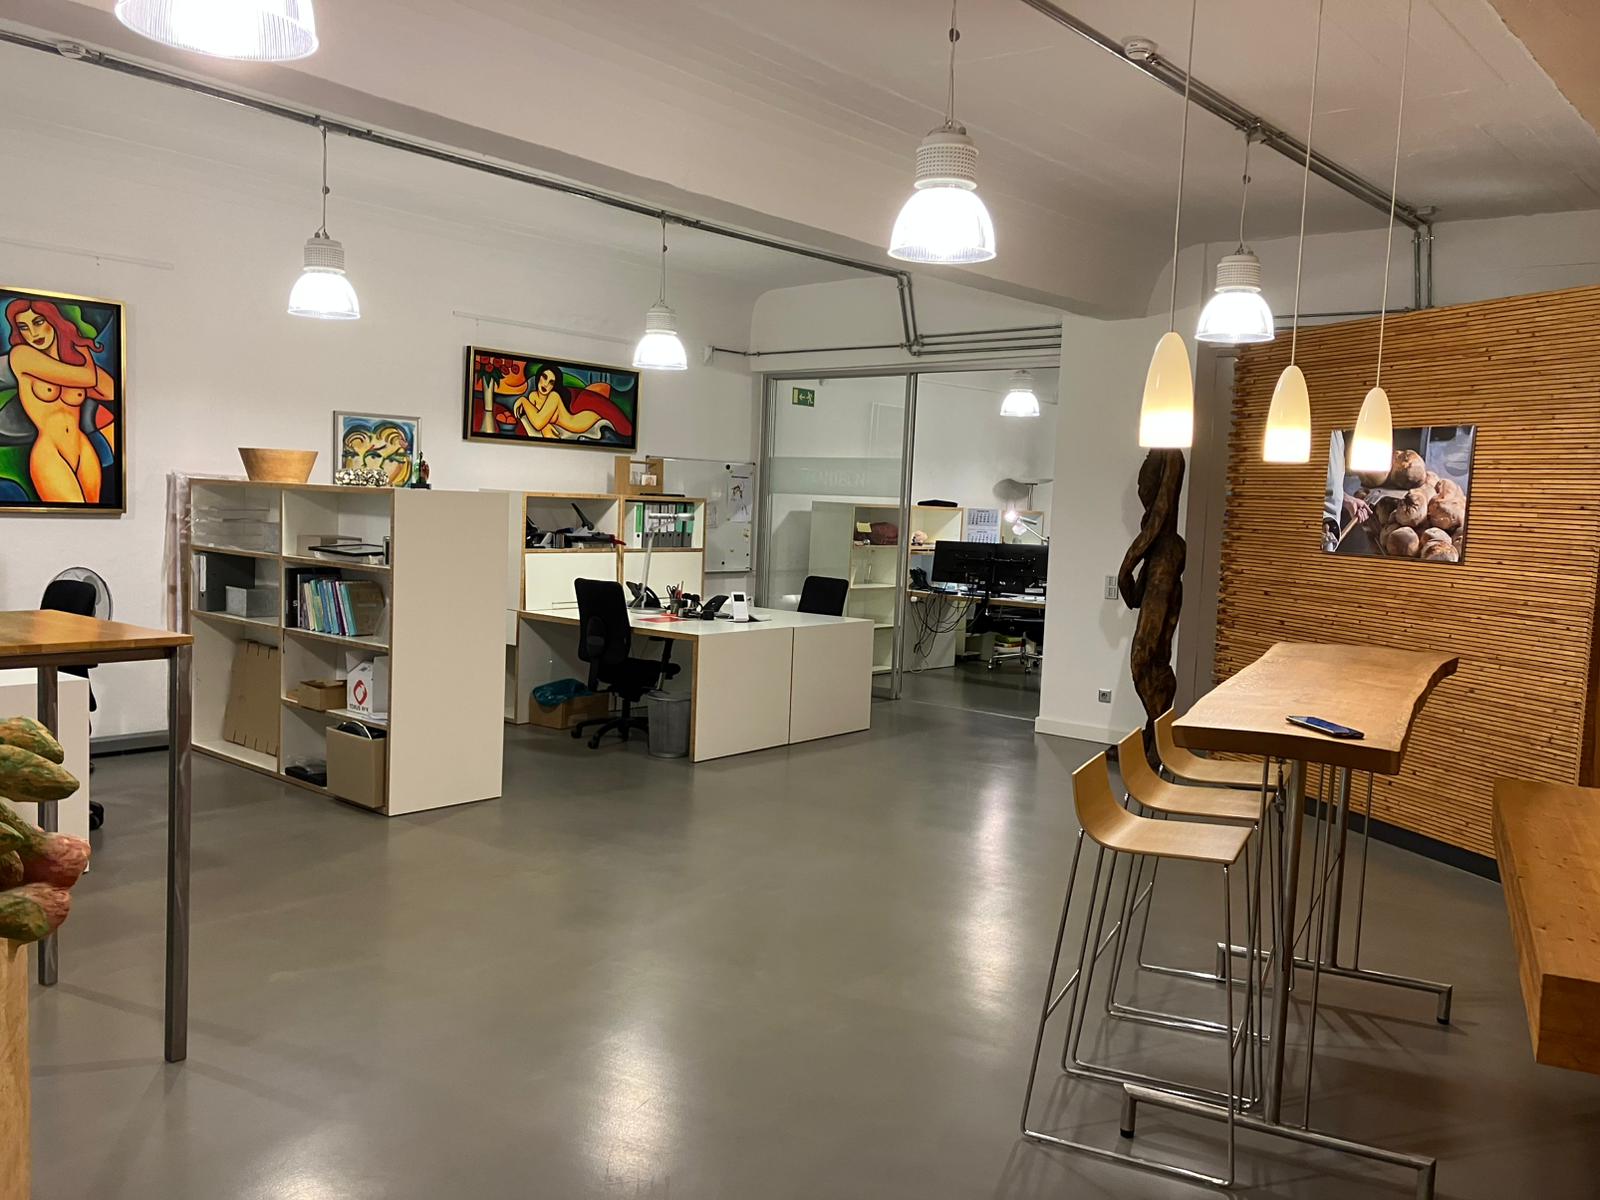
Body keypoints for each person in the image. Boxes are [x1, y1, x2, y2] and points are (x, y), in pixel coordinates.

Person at [4, 298, 115, 504]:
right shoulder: (21, 356)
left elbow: (110, 392)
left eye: (38, 322)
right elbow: (89, 378)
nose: (33, 333)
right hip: (50, 451)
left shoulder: (70, 365)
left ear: (53, 320)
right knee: (71, 518)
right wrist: (82, 348)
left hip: (82, 447)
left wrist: (73, 348)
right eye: (23, 327)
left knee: (95, 516)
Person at [514, 365, 613, 440]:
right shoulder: (533, 396)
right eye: (544, 377)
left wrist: (522, 400)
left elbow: (538, 423)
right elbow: (540, 420)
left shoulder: (554, 396)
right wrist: (546, 427)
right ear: (538, 376)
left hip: (583, 421)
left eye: (551, 382)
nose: (546, 384)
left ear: (554, 385)